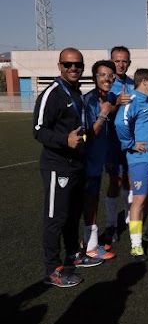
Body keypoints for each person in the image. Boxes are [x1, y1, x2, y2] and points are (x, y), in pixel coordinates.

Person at [34, 47, 103, 287]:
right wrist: (65, 140)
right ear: (59, 65)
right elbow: (38, 130)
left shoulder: (75, 93)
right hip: (57, 166)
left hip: (77, 165)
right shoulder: (52, 93)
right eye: (68, 64)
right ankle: (52, 269)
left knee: (73, 215)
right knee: (56, 218)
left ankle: (73, 255)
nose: (73, 68)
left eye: (78, 65)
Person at [115, 68, 148, 262]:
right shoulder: (132, 100)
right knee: (139, 199)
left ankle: (143, 232)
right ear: (144, 81)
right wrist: (130, 144)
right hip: (140, 160)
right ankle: (136, 246)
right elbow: (120, 123)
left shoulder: (145, 99)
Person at [82, 60, 118, 260]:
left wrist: (113, 106)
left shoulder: (110, 96)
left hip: (101, 157)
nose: (107, 79)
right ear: (94, 77)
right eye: (102, 75)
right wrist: (104, 113)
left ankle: (89, 241)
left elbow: (111, 106)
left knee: (93, 198)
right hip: (89, 159)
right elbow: (90, 133)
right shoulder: (89, 100)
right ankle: (90, 247)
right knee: (89, 199)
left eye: (110, 75)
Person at [104, 46, 135, 243]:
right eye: (117, 61)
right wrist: (116, 104)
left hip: (131, 140)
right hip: (113, 142)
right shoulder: (107, 83)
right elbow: (103, 111)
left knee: (130, 180)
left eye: (124, 61)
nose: (121, 64)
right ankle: (110, 224)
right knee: (115, 182)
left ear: (129, 63)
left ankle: (130, 220)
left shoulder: (133, 83)